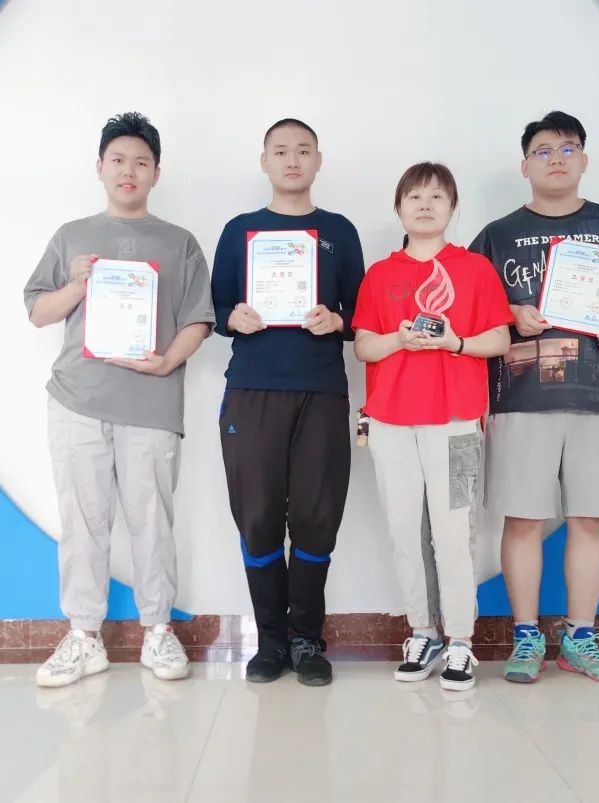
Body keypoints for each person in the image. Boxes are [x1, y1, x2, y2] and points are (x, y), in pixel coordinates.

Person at [469, 111, 599, 685]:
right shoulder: (496, 236)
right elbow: (473, 311)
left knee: (589, 517)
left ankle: (580, 638)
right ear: (524, 165)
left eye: (567, 148)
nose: (556, 158)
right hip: (520, 394)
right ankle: (525, 636)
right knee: (523, 518)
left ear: (584, 159)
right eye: (543, 150)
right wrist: (512, 313)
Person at [24, 112, 215, 687]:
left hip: (151, 403)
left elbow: (199, 318)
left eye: (141, 162)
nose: (128, 170)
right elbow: (38, 312)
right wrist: (77, 284)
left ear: (156, 172)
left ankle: (158, 630)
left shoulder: (180, 243)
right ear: (100, 168)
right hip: (77, 400)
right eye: (118, 160)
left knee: (152, 520)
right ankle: (84, 637)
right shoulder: (71, 236)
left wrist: (167, 362)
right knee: (82, 523)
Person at [210, 118, 365, 686]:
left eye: (303, 150)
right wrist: (233, 316)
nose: (292, 160)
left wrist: (338, 320)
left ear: (318, 160)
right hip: (252, 390)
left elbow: (361, 313)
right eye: (280, 151)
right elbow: (216, 305)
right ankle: (271, 640)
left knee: (316, 518)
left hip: (320, 391)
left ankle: (306, 639)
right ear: (265, 161)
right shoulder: (240, 231)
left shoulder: (339, 231)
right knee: (257, 518)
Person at [353, 162, 512, 691]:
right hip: (390, 422)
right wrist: (399, 339)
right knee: (404, 530)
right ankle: (422, 632)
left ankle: (461, 640)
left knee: (455, 532)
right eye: (415, 196)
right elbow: (363, 346)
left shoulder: (475, 270)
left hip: (459, 422)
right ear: (399, 207)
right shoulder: (380, 275)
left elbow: (500, 339)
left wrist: (453, 342)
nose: (425, 204)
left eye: (437, 196)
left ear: (452, 207)